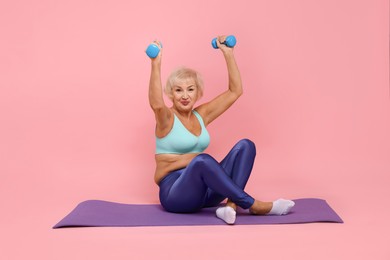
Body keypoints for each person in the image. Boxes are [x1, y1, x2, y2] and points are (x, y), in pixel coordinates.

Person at [147, 35, 295, 224]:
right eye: (178, 90)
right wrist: (155, 63)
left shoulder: (202, 115)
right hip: (175, 195)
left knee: (246, 146)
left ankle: (231, 206)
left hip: (206, 194)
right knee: (202, 160)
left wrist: (228, 53)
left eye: (190, 89)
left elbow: (235, 91)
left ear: (198, 92)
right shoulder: (166, 119)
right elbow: (156, 104)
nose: (185, 96)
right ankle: (254, 205)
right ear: (171, 94)